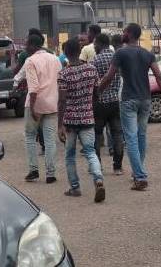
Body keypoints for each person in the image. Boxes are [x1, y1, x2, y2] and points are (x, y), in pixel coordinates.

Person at [99, 23, 161, 191]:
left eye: (124, 31)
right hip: (145, 99)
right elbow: (159, 77)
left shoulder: (120, 53)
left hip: (128, 100)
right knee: (141, 136)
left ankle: (139, 176)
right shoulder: (147, 54)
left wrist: (97, 91)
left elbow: (109, 77)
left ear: (129, 34)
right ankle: (137, 172)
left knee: (131, 138)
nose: (123, 33)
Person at [57, 38, 105, 202]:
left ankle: (75, 188)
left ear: (65, 54)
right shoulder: (92, 70)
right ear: (79, 51)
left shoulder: (63, 74)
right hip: (87, 118)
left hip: (70, 120)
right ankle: (98, 179)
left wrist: (60, 125)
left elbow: (62, 101)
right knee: (91, 152)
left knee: (70, 155)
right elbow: (97, 93)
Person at [23, 34, 62, 184]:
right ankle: (50, 174)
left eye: (27, 44)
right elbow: (60, 80)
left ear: (33, 45)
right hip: (52, 103)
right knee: (50, 139)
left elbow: (33, 88)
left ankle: (33, 170)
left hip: (35, 104)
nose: (26, 47)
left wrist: (32, 108)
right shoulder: (55, 59)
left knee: (30, 136)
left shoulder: (30, 61)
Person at [91, 33, 125, 175]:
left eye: (94, 44)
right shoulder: (117, 57)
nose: (94, 46)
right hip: (115, 101)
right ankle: (117, 166)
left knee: (97, 134)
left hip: (100, 102)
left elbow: (93, 82)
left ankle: (97, 165)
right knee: (117, 134)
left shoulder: (95, 60)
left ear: (99, 43)